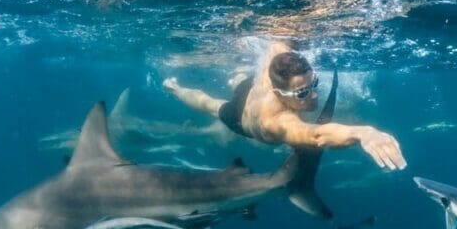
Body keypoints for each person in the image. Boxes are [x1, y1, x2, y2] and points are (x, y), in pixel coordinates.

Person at [163, 41, 406, 170]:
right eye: (302, 93)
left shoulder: (279, 56)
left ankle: (236, 76)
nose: (313, 96)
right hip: (242, 117)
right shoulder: (276, 122)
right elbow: (317, 135)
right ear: (279, 92)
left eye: (314, 84)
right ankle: (175, 88)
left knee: (240, 82)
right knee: (211, 105)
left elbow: (281, 36)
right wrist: (363, 132)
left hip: (253, 87)